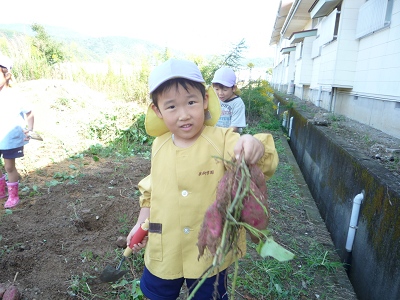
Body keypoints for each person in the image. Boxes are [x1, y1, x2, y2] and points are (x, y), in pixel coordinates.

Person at [126, 59, 279, 300]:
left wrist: (255, 145)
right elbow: (152, 190)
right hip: (165, 246)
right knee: (157, 294)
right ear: (157, 110)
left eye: (191, 102)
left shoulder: (221, 139)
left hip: (210, 249)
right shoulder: (159, 145)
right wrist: (141, 223)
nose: (184, 115)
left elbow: (262, 162)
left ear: (205, 101)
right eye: (171, 107)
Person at [0, 54, 35, 208]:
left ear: (6, 75)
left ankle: (13, 196)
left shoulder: (15, 95)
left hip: (11, 138)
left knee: (9, 167)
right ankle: (1, 191)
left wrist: (30, 129)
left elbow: (29, 112)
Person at [212, 66, 246, 133]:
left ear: (233, 88)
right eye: (217, 89)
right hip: (215, 135)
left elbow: (235, 127)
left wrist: (220, 134)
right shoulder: (213, 98)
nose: (220, 93)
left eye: (225, 90)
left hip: (230, 137)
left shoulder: (237, 103)